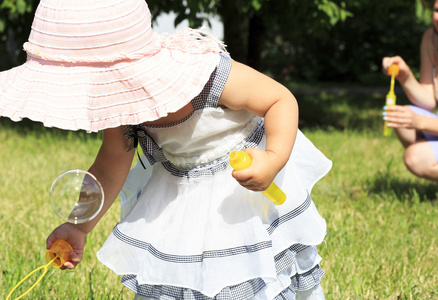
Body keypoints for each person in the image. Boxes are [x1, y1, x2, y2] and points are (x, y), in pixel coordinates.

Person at [0, 0, 332, 299]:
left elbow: (278, 99)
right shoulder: (122, 109)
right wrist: (78, 225)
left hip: (243, 190)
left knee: (247, 274)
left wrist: (273, 159)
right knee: (183, 277)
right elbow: (108, 167)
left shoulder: (207, 75)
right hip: (182, 195)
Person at [382, 0, 438, 196]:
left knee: (415, 157)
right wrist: (405, 75)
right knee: (401, 116)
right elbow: (428, 101)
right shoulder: (432, 39)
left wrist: (420, 122)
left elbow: (423, 117)